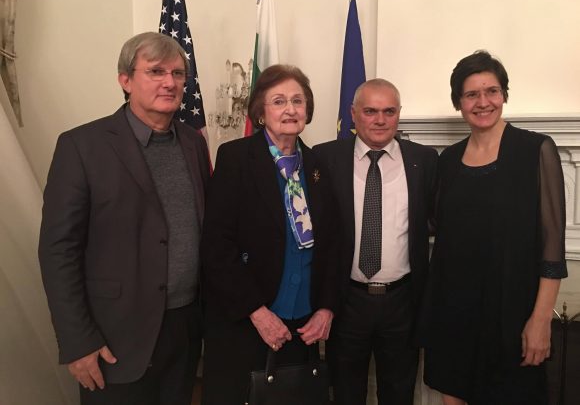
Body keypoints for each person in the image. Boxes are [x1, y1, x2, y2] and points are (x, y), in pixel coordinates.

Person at [38, 32, 210, 405]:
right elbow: (58, 251)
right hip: (114, 337)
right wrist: (77, 342)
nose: (170, 82)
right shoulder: (82, 146)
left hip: (184, 328)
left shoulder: (194, 144)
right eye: (156, 71)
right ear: (125, 80)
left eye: (178, 73)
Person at [419, 50, 568, 405]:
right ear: (458, 102)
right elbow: (436, 227)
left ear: (504, 94)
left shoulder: (535, 150)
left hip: (513, 314)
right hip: (454, 313)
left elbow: (552, 247)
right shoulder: (448, 160)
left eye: (492, 91)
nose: (483, 102)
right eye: (472, 94)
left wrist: (541, 320)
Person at [200, 64, 338, 404]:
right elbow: (217, 246)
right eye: (279, 101)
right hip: (246, 320)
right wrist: (257, 312)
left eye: (297, 101)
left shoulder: (318, 165)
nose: (290, 109)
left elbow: (334, 245)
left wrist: (326, 309)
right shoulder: (235, 158)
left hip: (303, 325)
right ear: (261, 113)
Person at [314, 79, 438, 405]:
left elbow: (436, 219)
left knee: (399, 393)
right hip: (346, 300)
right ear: (353, 114)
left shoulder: (424, 160)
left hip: (402, 302)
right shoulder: (325, 158)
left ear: (399, 114)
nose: (380, 120)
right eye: (370, 111)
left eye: (389, 111)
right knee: (345, 392)